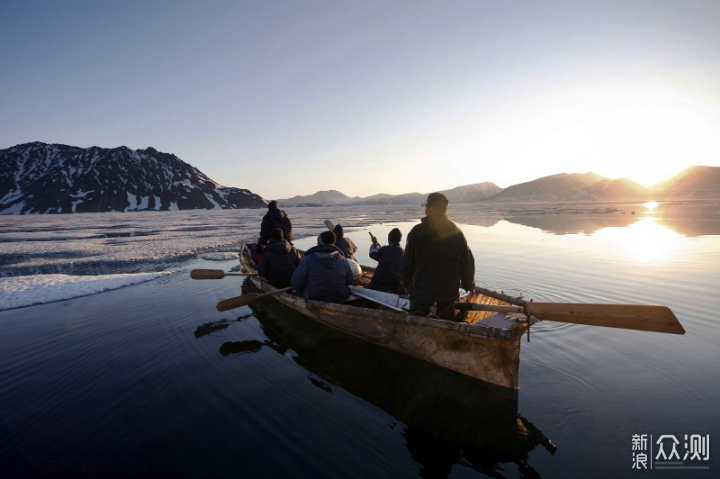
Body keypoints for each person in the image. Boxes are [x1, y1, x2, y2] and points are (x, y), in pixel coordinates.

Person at [401, 193, 475, 320]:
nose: (425, 210)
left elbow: (407, 263)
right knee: (446, 321)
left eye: (427, 207)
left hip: (421, 290)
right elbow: (467, 263)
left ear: (431, 209)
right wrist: (469, 286)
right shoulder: (457, 233)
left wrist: (408, 286)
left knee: (417, 321)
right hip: (448, 290)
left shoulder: (417, 232)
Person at [291, 230, 354, 303]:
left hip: (313, 297)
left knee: (296, 291)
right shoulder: (343, 260)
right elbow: (350, 282)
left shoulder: (308, 259)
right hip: (340, 297)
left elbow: (296, 283)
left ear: (319, 242)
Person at [367, 228, 404, 293]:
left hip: (380, 284)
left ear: (389, 239)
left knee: (365, 290)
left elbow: (372, 253)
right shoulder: (403, 252)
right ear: (400, 239)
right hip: (395, 284)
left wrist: (374, 243)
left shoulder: (385, 250)